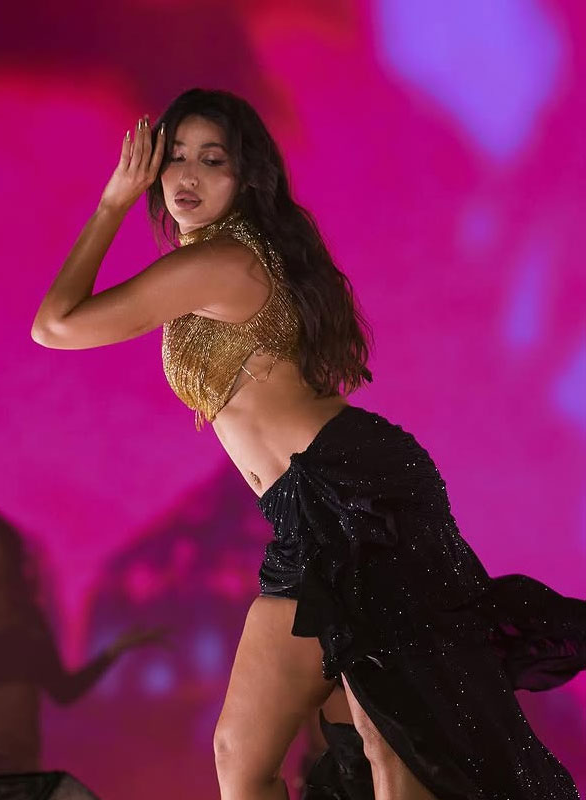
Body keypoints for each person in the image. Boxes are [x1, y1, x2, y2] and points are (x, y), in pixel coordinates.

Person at [31, 88, 586, 800]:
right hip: (312, 510)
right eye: (174, 158)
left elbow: (56, 326)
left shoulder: (221, 261)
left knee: (397, 744)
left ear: (244, 177)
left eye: (212, 160)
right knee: (246, 754)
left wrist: (113, 201)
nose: (187, 176)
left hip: (353, 497)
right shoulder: (228, 255)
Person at [0, 507, 167, 775]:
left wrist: (114, 651)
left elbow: (63, 691)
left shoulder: (28, 619)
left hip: (23, 769)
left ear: (7, 549)